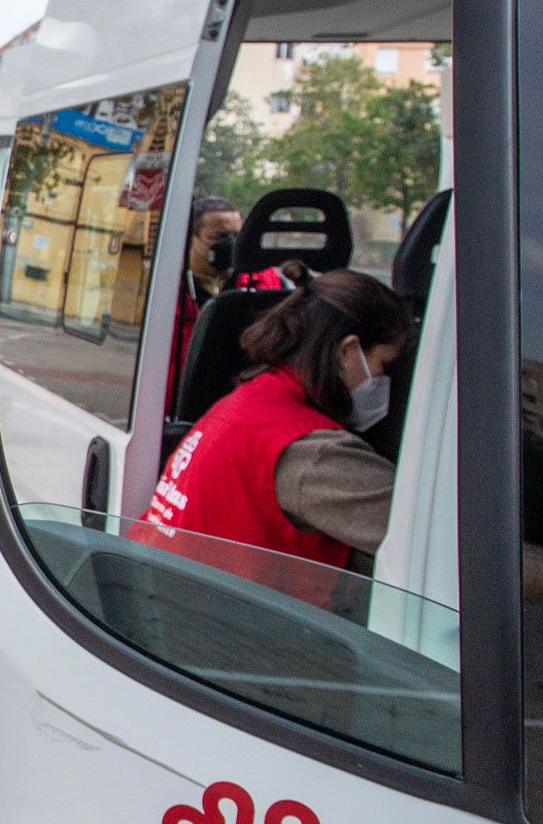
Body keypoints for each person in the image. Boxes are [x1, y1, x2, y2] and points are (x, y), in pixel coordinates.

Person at [141, 270, 409, 571]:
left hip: (167, 594)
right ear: (348, 351)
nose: (388, 381)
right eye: (385, 365)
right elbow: (427, 539)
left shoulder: (252, 400)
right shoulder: (314, 452)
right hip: (220, 612)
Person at [167, 195, 299, 413]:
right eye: (220, 236)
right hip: (183, 401)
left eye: (236, 236)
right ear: (191, 238)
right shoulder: (167, 287)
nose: (230, 245)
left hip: (242, 400)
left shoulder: (263, 282)